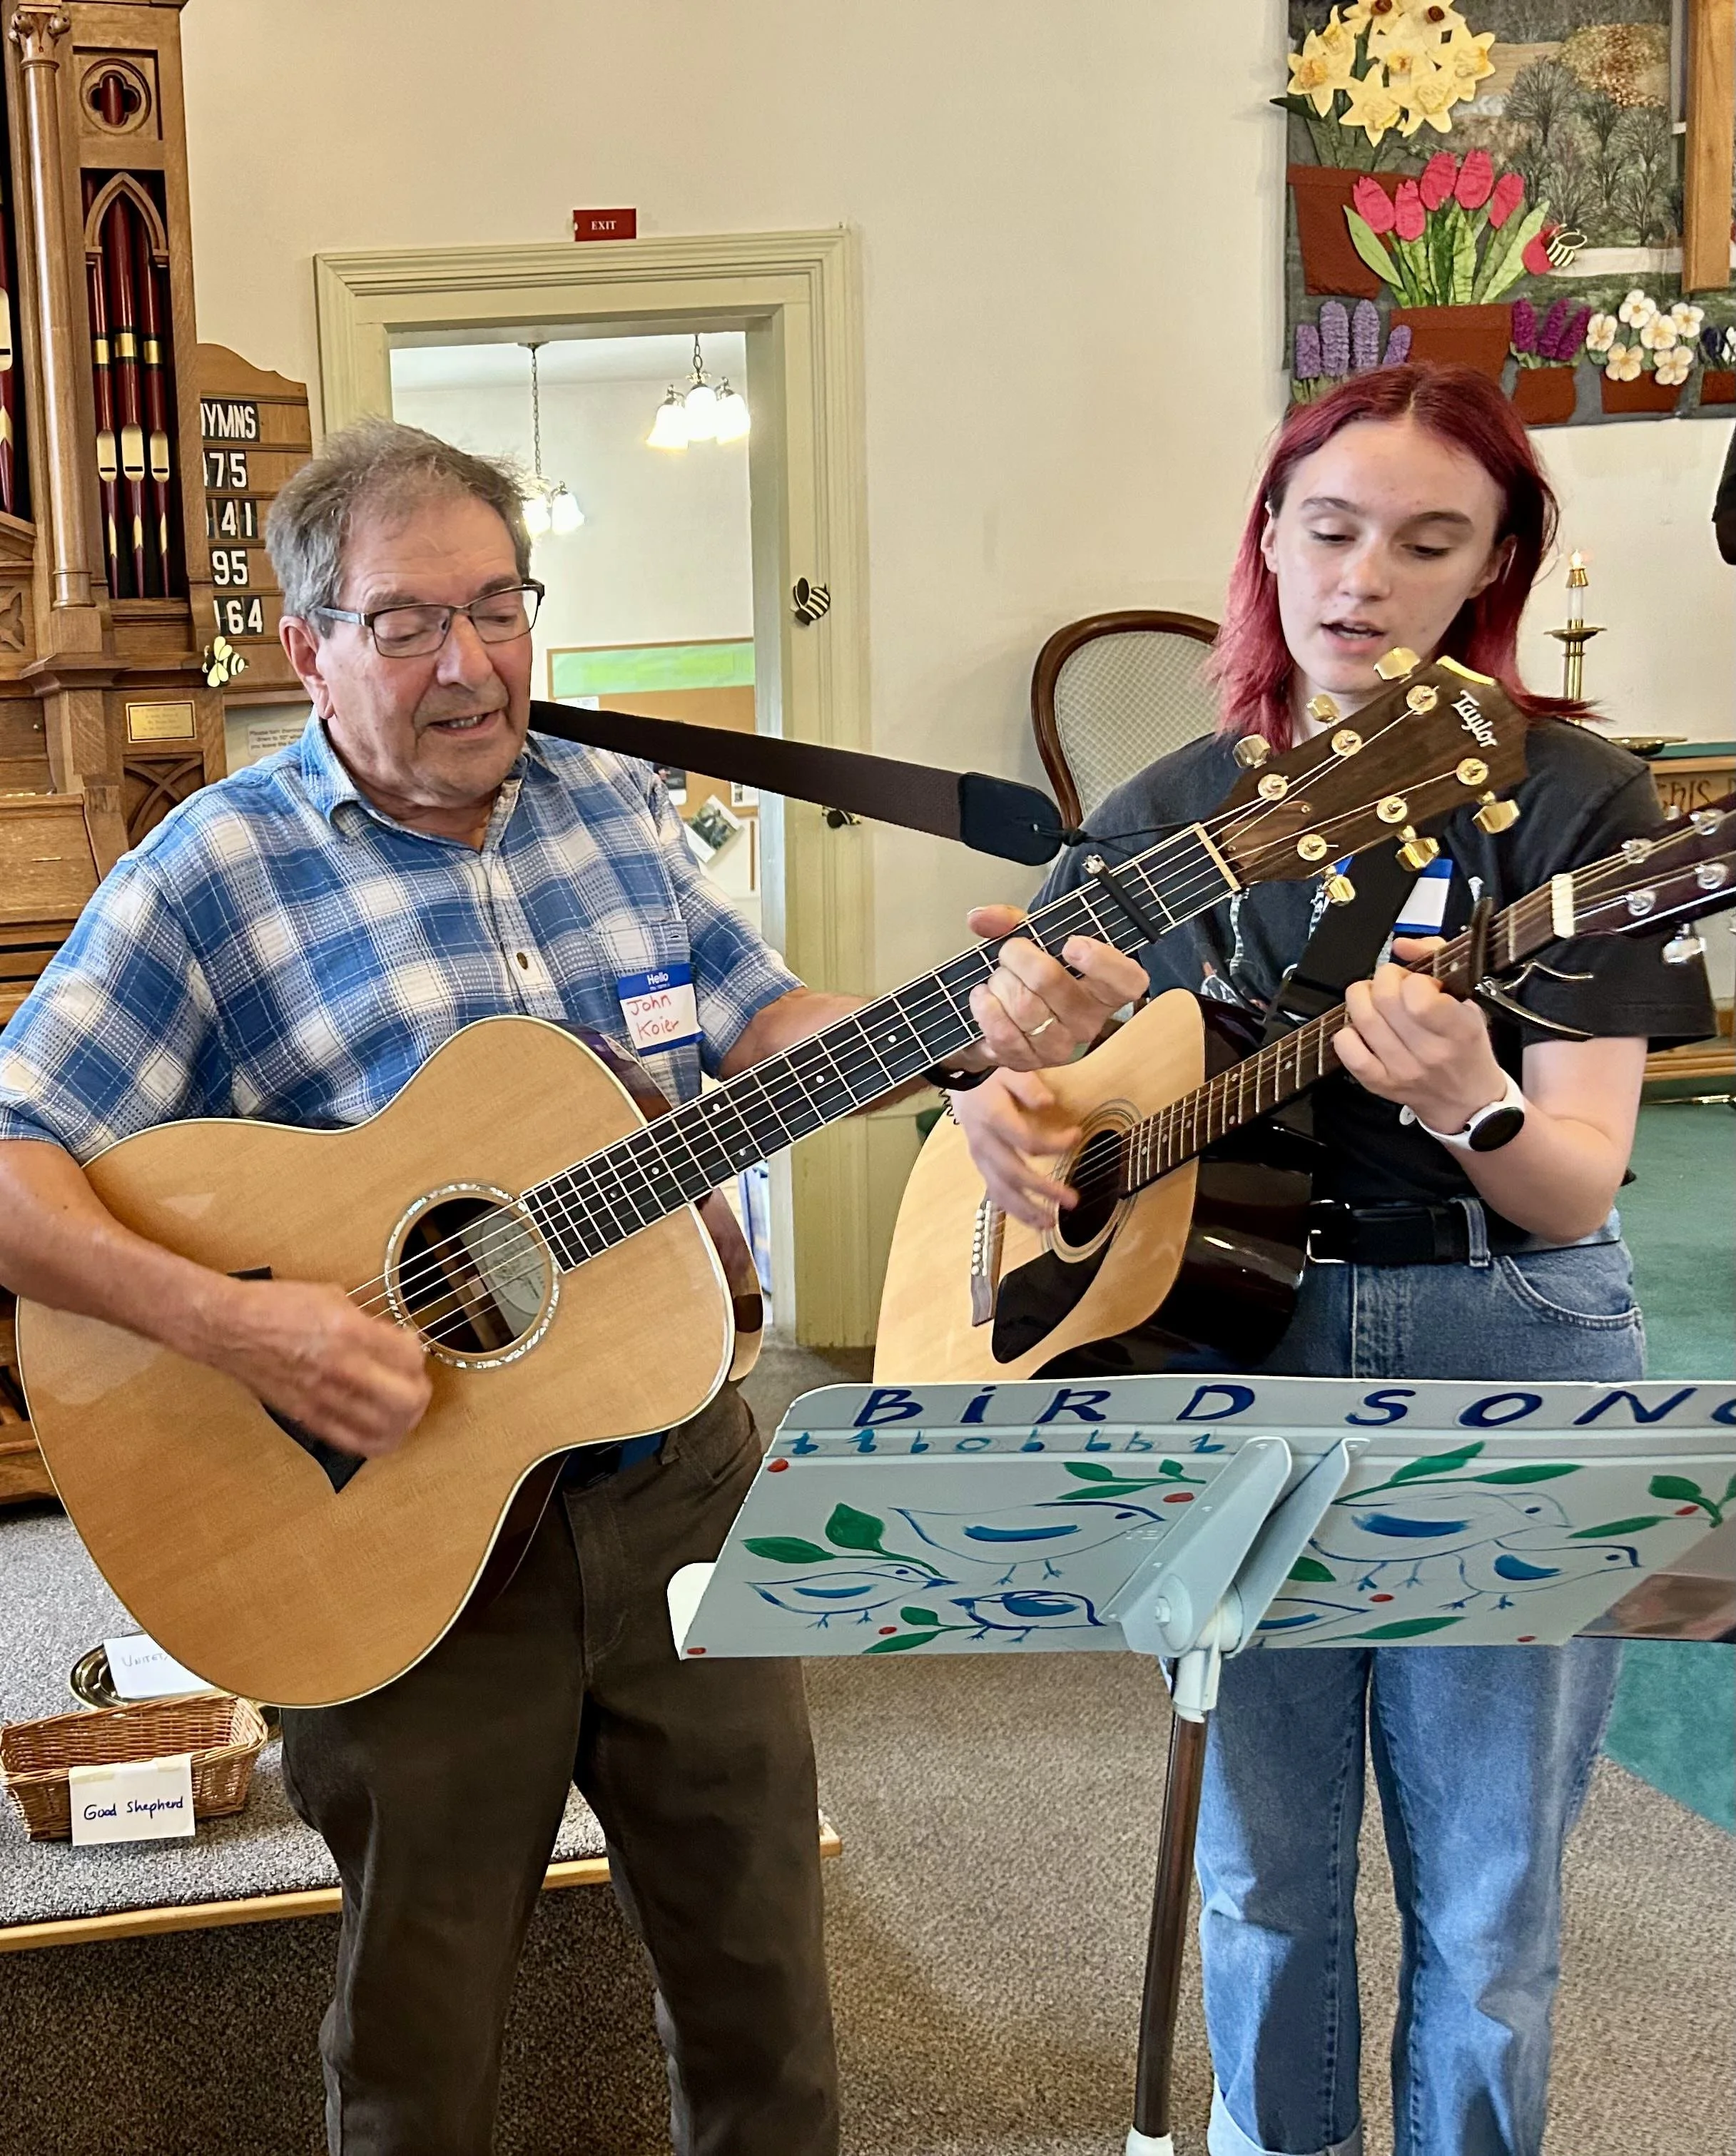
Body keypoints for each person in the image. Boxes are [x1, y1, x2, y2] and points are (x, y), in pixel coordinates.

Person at [0, 419, 1135, 2156]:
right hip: (401, 1547)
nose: (469, 662)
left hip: (681, 1477)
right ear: (307, 648)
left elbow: (765, 1030)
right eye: (406, 622)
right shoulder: (210, 873)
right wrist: (243, 1321)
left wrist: (958, 1044)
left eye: (500, 605)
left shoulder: (614, 805)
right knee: (421, 2053)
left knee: (766, 1997)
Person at [949, 365, 1715, 2156]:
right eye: (1332, 527)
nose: (1365, 577)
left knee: (1488, 1907)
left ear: (1497, 565)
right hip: (1221, 1338)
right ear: (1268, 539)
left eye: (1428, 540)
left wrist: (1471, 1107)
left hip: (1504, 1331)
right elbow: (1026, 1088)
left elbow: (1577, 1187)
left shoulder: (1584, 807)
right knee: (1263, 1879)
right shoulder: (1165, 810)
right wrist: (1013, 1114)